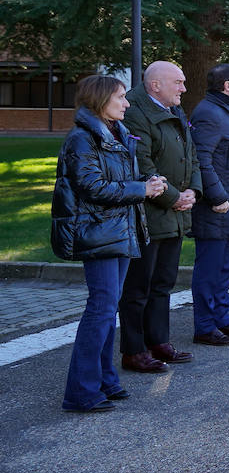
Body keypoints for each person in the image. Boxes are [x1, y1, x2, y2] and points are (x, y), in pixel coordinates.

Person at [52, 75, 164, 412]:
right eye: (120, 97)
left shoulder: (113, 133)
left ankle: (104, 380)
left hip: (117, 231)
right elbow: (92, 187)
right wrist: (139, 191)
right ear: (101, 100)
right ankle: (81, 393)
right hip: (98, 233)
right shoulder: (82, 139)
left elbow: (116, 180)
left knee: (107, 309)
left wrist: (147, 182)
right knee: (101, 309)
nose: (127, 103)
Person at [118, 61, 199, 374]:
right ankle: (134, 350)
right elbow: (142, 163)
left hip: (174, 214)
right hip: (148, 215)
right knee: (138, 287)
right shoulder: (136, 112)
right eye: (178, 82)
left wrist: (193, 191)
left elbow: (191, 156)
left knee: (163, 282)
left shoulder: (175, 109)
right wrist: (174, 197)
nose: (183, 88)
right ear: (155, 85)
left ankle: (159, 341)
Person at [189, 64, 229, 345]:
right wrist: (217, 197)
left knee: (225, 269)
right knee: (210, 270)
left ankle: (221, 321)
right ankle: (204, 326)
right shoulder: (209, 114)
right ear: (227, 85)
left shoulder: (226, 112)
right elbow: (202, 160)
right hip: (217, 208)